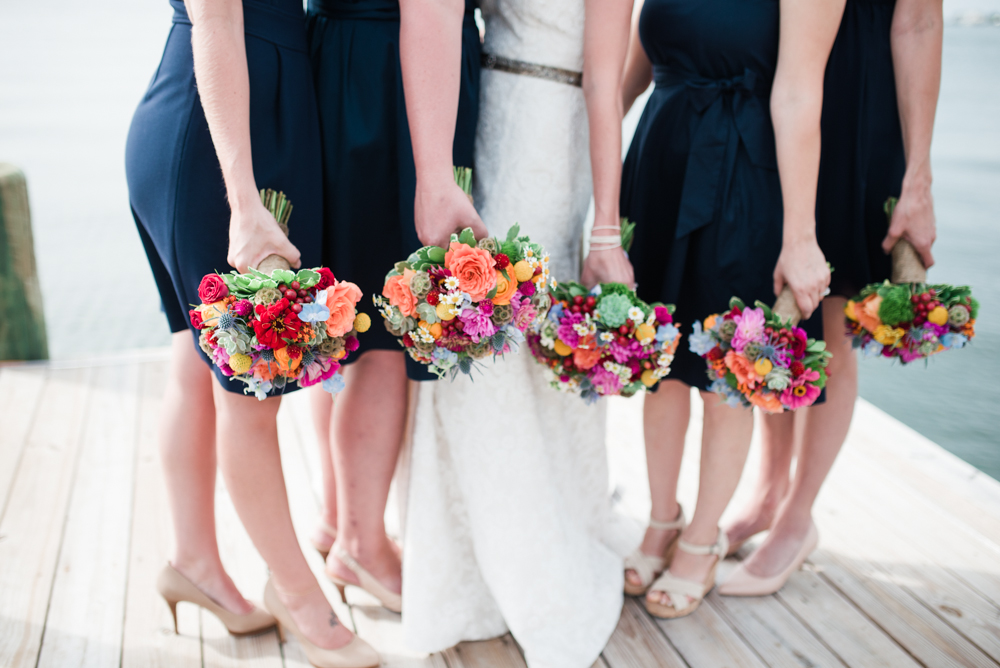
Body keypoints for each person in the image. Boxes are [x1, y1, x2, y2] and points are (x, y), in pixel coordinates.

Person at [125, 1, 379, 665]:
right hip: (221, 145)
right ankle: (295, 592)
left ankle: (193, 561)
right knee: (248, 387)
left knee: (193, 358)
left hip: (235, 118)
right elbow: (214, 19)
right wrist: (243, 203)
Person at [402, 2, 637, 666]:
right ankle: (465, 550)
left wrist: (606, 227)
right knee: (476, 326)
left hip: (549, 136)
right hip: (477, 114)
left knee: (522, 329)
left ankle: (535, 539)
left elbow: (605, 83)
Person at [720, 0, 942, 596]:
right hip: (778, 88)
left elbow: (919, 19)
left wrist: (917, 177)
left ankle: (798, 516)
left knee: (833, 312)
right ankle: (768, 493)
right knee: (781, 301)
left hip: (859, 103)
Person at [618, 0, 830, 619]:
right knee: (658, 361)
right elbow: (630, 78)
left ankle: (703, 540)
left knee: (727, 373)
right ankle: (662, 518)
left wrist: (800, 236)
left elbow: (798, 93)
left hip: (749, 168)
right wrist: (598, 199)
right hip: (660, 161)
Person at [304, 0, 485, 612]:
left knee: (347, 316)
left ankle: (337, 518)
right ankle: (362, 544)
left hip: (341, 55)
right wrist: (435, 180)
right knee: (382, 334)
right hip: (401, 79)